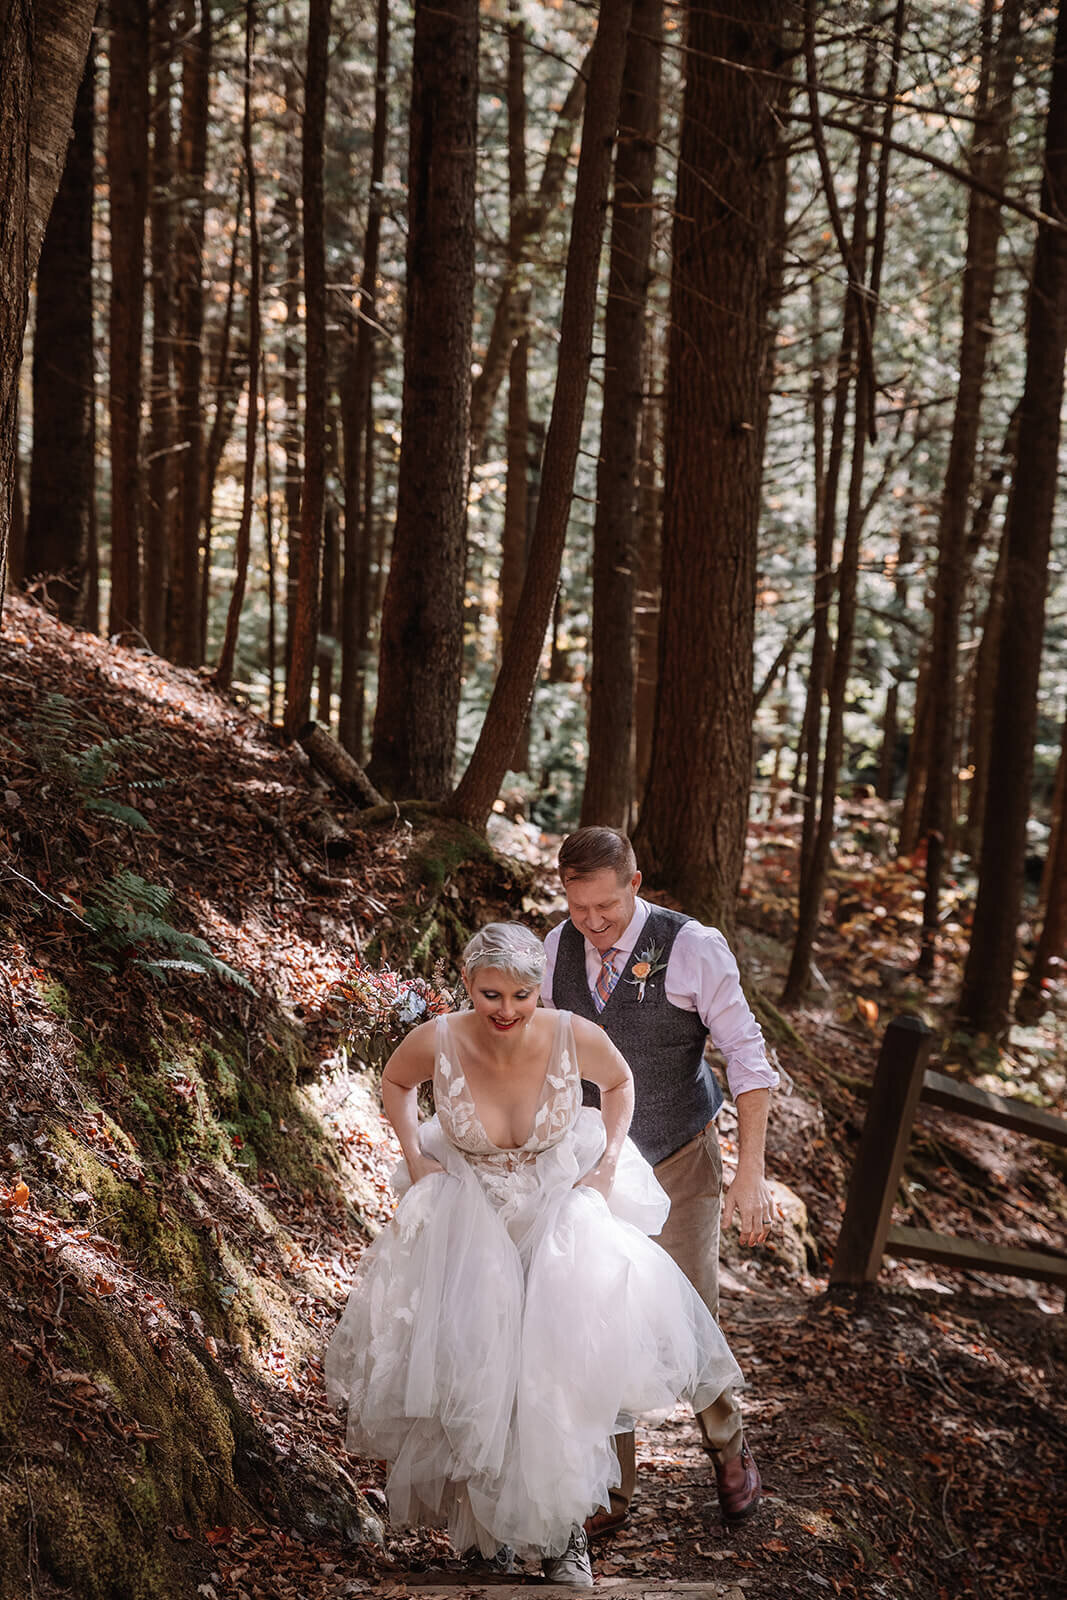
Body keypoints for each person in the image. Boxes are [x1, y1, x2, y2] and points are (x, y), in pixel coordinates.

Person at [325, 922, 744, 1588]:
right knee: (476, 1366)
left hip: (555, 1212)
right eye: (491, 994)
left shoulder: (569, 1033)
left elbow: (620, 1083)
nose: (507, 1010)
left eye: (521, 994)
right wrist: (416, 1158)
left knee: (554, 1369)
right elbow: (395, 1084)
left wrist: (606, 1163)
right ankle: (485, 1536)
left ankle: (561, 1535)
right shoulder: (435, 1039)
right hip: (469, 1218)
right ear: (466, 984)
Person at [543, 826, 780, 1532]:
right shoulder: (554, 949)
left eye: (605, 909)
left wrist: (750, 1172)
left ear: (635, 884)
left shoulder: (694, 947)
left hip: (678, 1156)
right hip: (592, 1168)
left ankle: (727, 1446)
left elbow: (746, 1056)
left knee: (685, 1318)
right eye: (577, 906)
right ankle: (610, 1487)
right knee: (591, 1317)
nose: (591, 922)